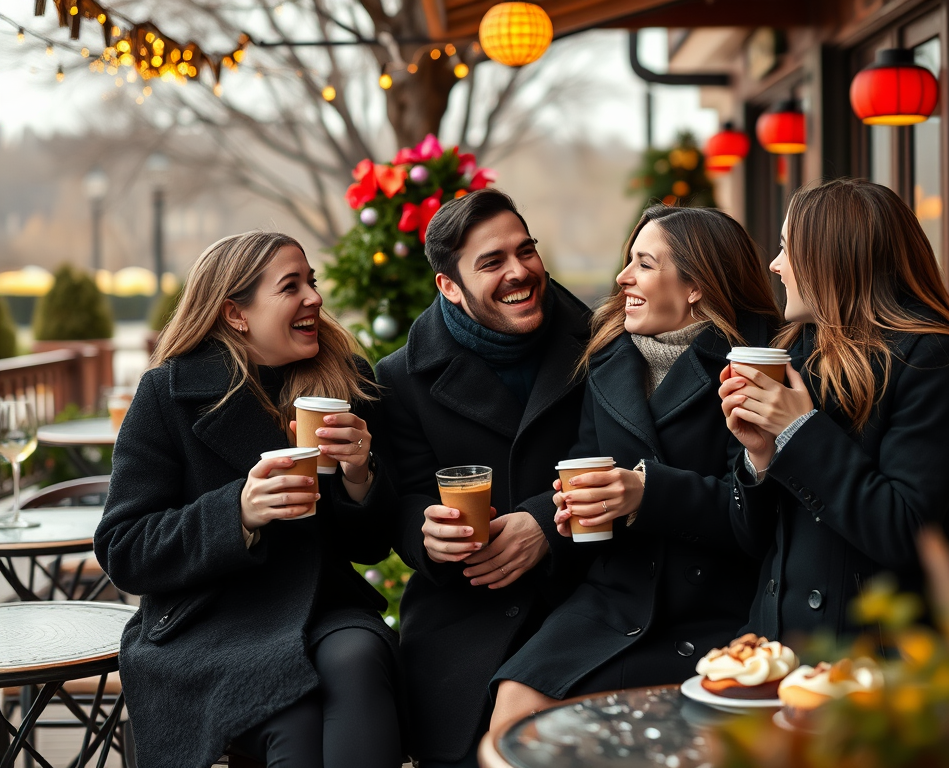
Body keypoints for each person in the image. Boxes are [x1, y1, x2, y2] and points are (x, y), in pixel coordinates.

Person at [94, 232, 402, 768]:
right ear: (237, 313)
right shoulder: (167, 394)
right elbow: (124, 549)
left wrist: (359, 473)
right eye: (291, 286)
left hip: (323, 608)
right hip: (207, 621)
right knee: (294, 716)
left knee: (358, 657)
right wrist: (238, 512)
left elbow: (372, 547)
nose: (314, 297)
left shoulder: (345, 384)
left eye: (312, 281)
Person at [488, 204, 782, 728]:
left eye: (644, 264)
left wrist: (647, 493)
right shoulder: (609, 355)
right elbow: (585, 457)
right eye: (629, 261)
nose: (623, 277)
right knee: (514, 706)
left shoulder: (756, 363)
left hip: (719, 605)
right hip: (617, 594)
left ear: (695, 285)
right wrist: (573, 505)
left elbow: (760, 516)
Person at [718, 178, 949, 642]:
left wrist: (799, 431)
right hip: (771, 645)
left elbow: (904, 533)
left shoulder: (934, 359)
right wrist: (761, 457)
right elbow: (750, 539)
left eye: (788, 248)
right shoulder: (798, 350)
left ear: (833, 259)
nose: (774, 265)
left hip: (872, 660)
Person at [376, 188, 592, 767]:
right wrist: (425, 534)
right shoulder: (400, 378)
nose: (519, 272)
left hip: (586, 599)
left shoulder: (600, 343)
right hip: (463, 616)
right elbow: (404, 499)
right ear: (449, 286)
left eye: (527, 251)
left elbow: (622, 458)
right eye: (492, 262)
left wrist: (547, 522)